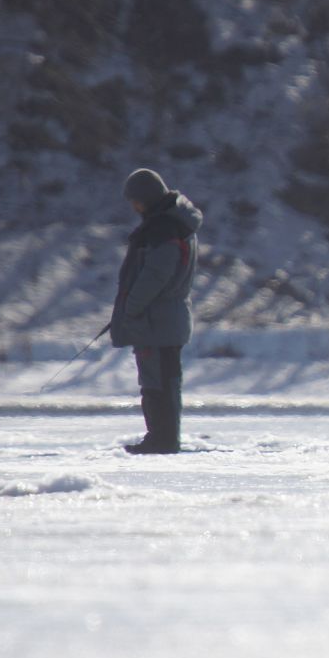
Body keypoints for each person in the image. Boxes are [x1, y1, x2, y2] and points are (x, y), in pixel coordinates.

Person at [111, 168, 204, 455]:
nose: (134, 207)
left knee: (158, 383)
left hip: (157, 320)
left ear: (146, 199)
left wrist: (131, 308)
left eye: (135, 201)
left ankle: (162, 441)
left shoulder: (163, 229)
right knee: (162, 381)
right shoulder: (175, 223)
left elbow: (155, 275)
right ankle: (162, 438)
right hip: (166, 318)